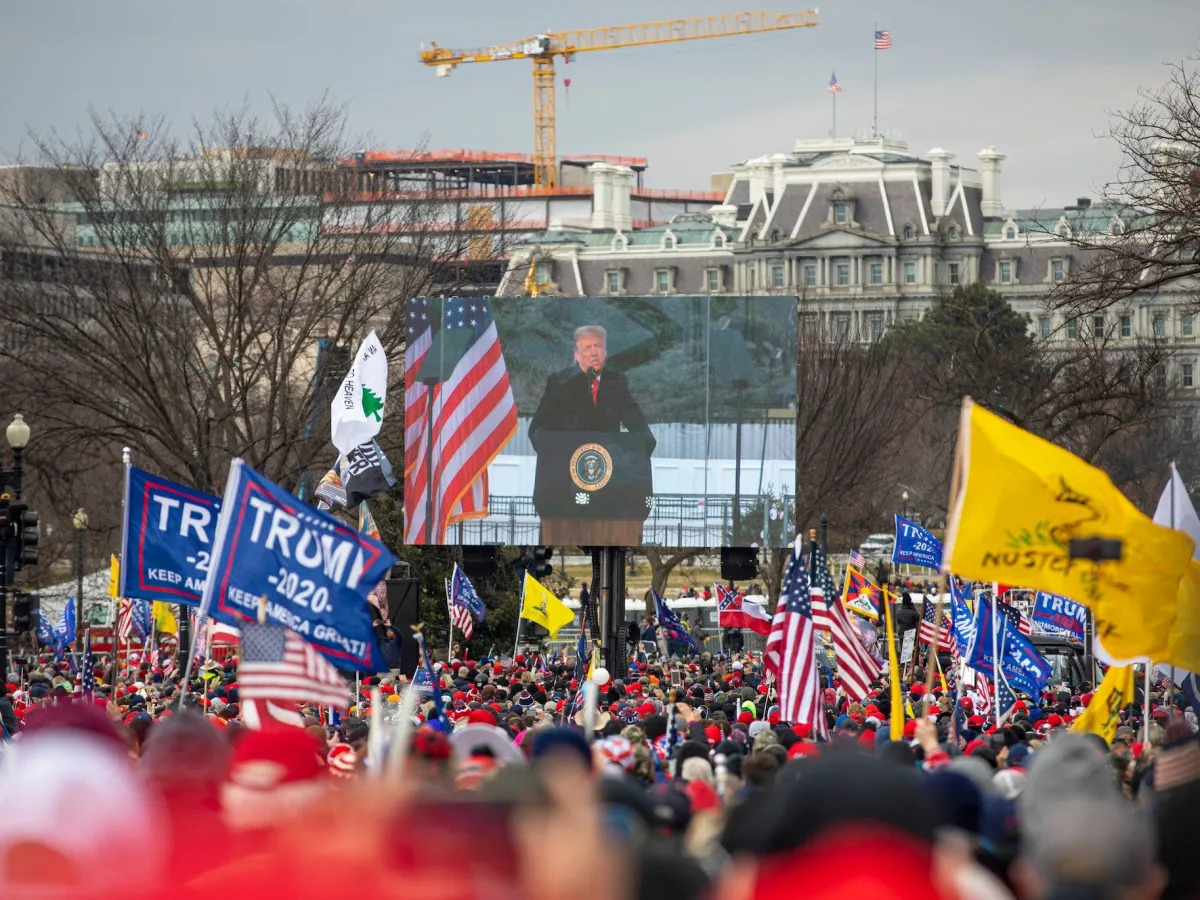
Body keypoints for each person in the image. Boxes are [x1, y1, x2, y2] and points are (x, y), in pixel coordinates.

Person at [527, 325, 655, 450]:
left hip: (607, 465)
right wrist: (554, 452)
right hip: (567, 463)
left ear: (605, 351)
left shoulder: (616, 383)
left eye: (598, 346)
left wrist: (636, 452)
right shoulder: (559, 383)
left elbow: (642, 432)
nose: (594, 353)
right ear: (576, 354)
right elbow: (536, 431)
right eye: (587, 348)